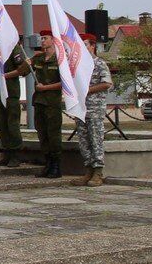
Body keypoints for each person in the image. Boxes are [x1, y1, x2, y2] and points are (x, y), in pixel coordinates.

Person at [73, 33, 113, 187]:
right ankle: (88, 169)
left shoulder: (99, 63)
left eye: (85, 45)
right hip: (81, 107)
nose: (83, 48)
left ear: (92, 46)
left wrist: (87, 90)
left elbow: (106, 83)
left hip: (95, 107)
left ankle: (98, 171)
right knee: (83, 140)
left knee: (95, 139)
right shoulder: (78, 65)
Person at [30, 31, 64, 178]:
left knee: (53, 134)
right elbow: (24, 69)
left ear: (53, 40)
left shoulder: (60, 60)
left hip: (52, 102)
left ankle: (56, 165)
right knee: (42, 134)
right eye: (41, 38)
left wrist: (46, 88)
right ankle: (48, 163)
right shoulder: (38, 58)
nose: (42, 41)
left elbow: (64, 83)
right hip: (39, 101)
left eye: (45, 38)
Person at [0, 49, 29, 166]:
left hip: (11, 92)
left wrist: (4, 76)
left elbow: (23, 69)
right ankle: (6, 152)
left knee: (12, 124)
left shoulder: (12, 47)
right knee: (1, 125)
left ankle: (15, 154)